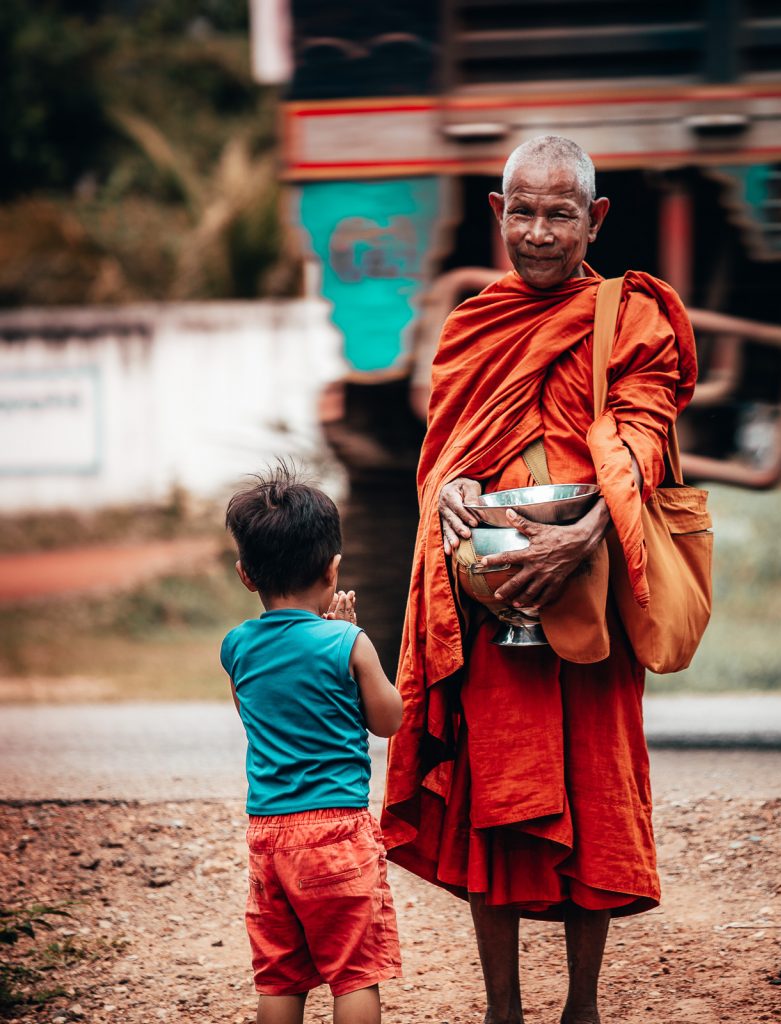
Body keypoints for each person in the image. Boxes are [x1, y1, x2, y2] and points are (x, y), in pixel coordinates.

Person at [381, 136, 698, 1024]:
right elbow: (442, 453)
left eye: (561, 214)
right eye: (522, 211)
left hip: (594, 592)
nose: (540, 232)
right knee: (492, 792)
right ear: (496, 212)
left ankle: (583, 1006)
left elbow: (643, 441)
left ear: (594, 218)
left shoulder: (629, 317)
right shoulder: (472, 323)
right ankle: (502, 1007)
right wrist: (449, 493)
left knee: (593, 789)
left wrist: (585, 534)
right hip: (491, 597)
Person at [221, 466, 404, 1024]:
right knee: (353, 972)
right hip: (336, 832)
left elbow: (257, 712)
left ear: (246, 575)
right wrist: (352, 644)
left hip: (268, 835)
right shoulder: (348, 641)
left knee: (280, 977)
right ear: (333, 568)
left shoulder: (237, 647)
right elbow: (388, 720)